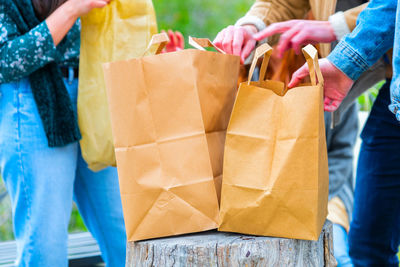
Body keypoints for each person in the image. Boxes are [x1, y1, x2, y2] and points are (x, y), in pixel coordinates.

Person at [0, 0, 182, 266]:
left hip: (95, 95)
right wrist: (72, 8)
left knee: (130, 236)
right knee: (45, 249)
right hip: (32, 101)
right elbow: (5, 60)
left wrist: (149, 55)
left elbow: (111, 34)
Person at [214, 1, 388, 266]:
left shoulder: (323, 85)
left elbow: (340, 158)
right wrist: (250, 27)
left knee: (341, 254)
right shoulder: (252, 87)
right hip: (258, 203)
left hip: (328, 201)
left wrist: (311, 198)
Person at [289, 1, 400, 266]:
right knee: (367, 249)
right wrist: (345, 63)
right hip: (395, 101)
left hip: (332, 204)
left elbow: (339, 160)